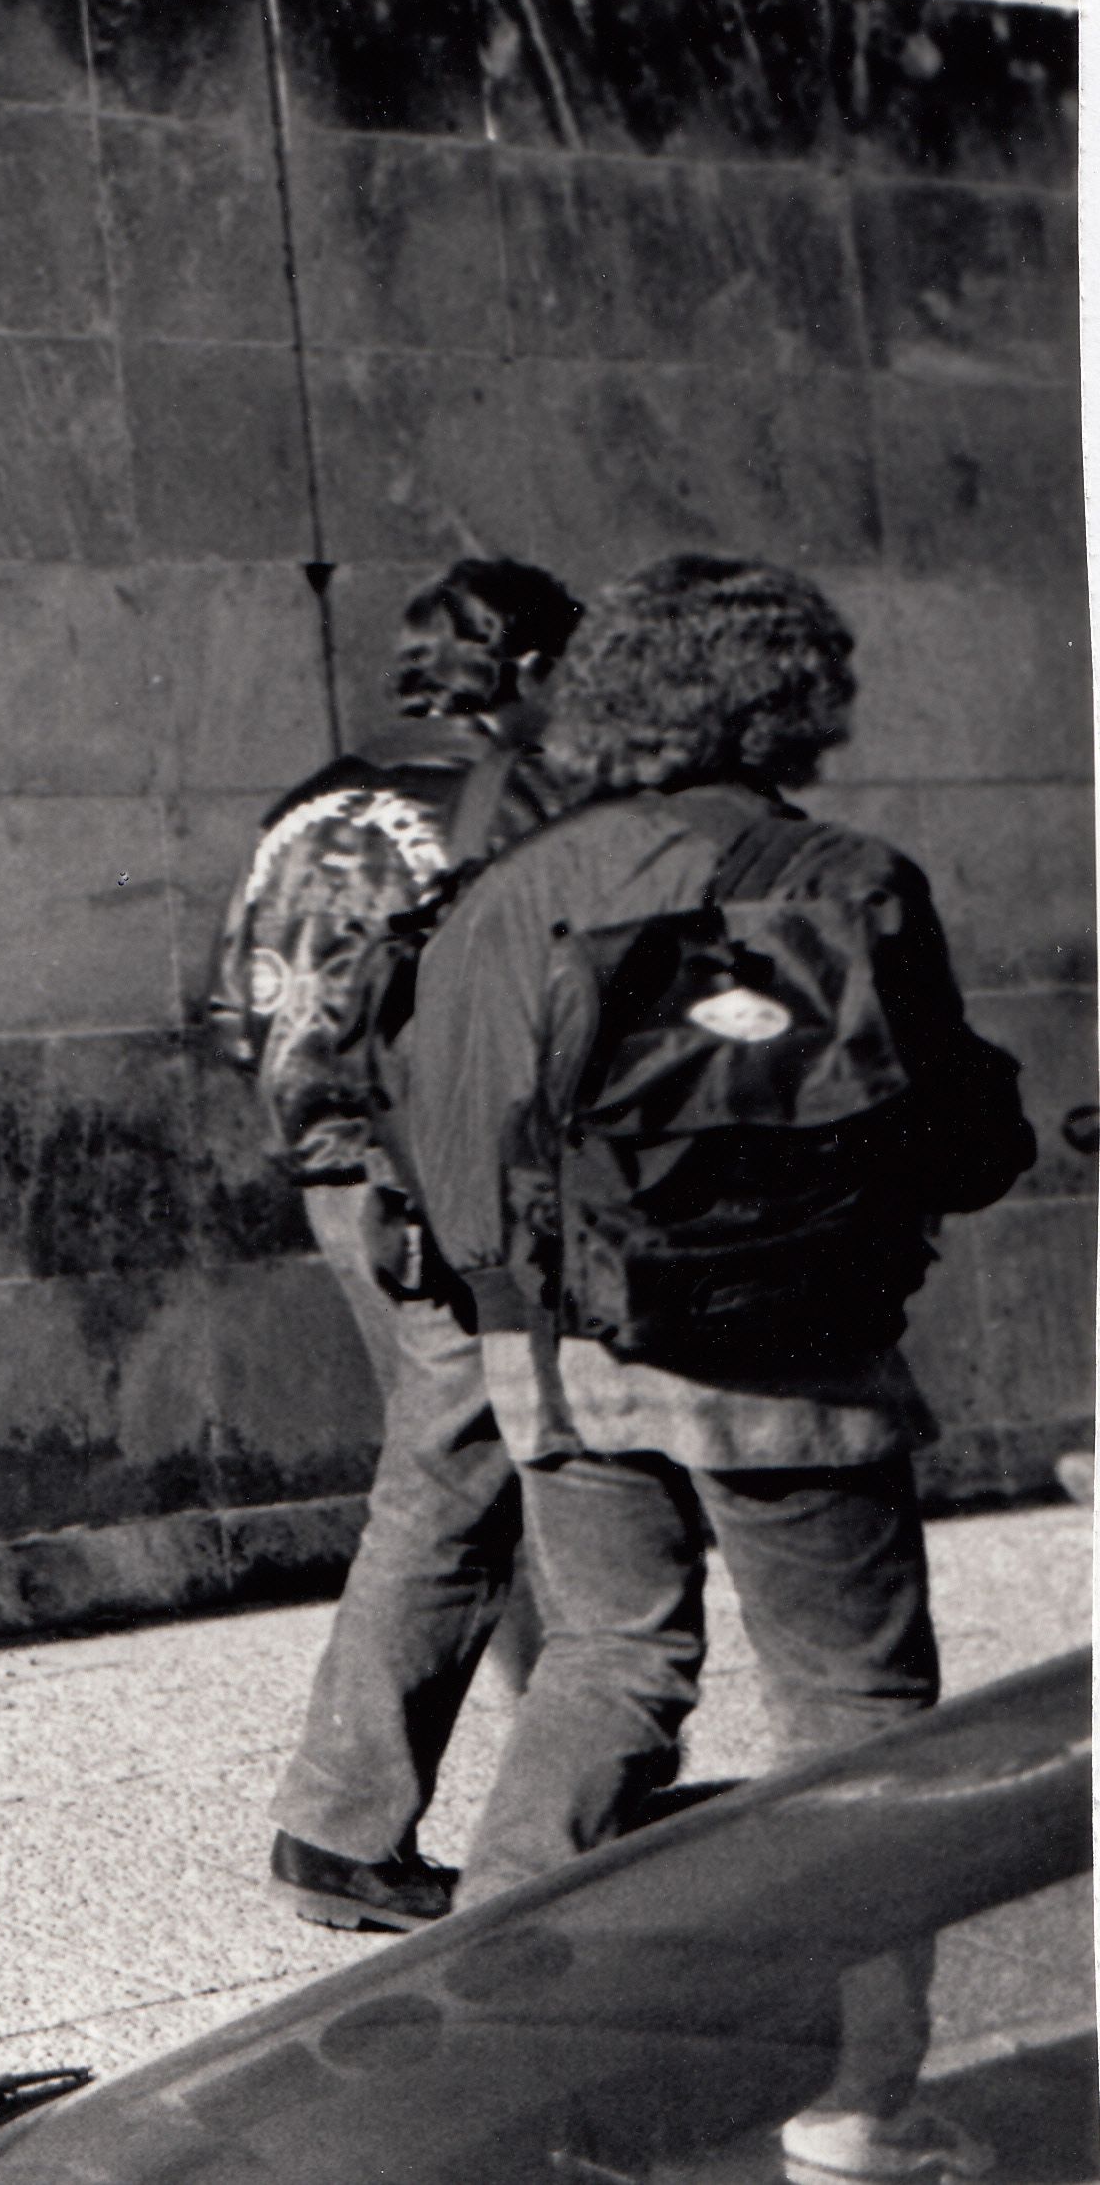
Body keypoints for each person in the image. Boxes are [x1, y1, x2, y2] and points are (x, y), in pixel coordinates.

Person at [401, 556, 1031, 2183]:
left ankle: (484, 2043)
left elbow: (446, 1141)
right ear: (788, 692)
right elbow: (960, 1139)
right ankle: (861, 2100)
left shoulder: (509, 886)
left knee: (606, 1666)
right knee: (859, 1716)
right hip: (791, 1361)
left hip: (550, 1355)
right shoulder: (847, 877)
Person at [213, 556, 582, 1929]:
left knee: (476, 1462)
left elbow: (242, 997)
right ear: (529, 669)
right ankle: (340, 1827)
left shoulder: (310, 797)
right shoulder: (511, 798)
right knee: (460, 1472)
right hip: (443, 1182)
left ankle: (578, 1768)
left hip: (325, 1162)